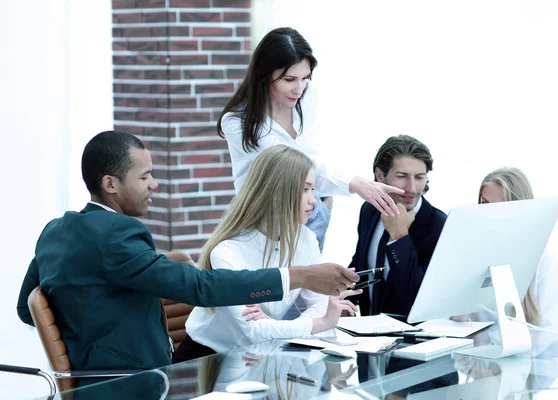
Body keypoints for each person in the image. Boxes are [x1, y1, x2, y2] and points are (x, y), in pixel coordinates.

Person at [16, 131, 359, 376]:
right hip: (135, 380)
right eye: (145, 176)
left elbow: (25, 309)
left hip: (98, 375)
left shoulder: (55, 230)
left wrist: (87, 330)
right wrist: (297, 276)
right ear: (111, 185)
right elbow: (199, 287)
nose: (155, 185)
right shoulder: (117, 235)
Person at [217, 27, 403, 250]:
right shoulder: (237, 122)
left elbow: (315, 160)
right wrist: (356, 183)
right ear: (265, 75)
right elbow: (295, 165)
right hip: (262, 224)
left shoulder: (308, 96)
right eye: (289, 79)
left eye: (305, 78)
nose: (299, 88)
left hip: (309, 214)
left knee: (314, 280)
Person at [173, 145, 361, 362]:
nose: (314, 200)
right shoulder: (227, 252)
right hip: (207, 359)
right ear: (279, 193)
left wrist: (276, 325)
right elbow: (254, 331)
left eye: (313, 189)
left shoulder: (306, 239)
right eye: (305, 189)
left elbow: (318, 304)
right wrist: (321, 322)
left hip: (260, 354)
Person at [348, 135, 447, 317]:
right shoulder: (369, 209)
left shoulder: (439, 226)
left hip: (415, 339)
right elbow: (361, 264)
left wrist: (400, 237)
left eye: (419, 177)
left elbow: (417, 298)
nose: (412, 187)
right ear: (380, 175)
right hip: (366, 334)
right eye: (402, 176)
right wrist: (346, 302)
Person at [477, 167, 558, 331]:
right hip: (472, 354)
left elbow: (550, 330)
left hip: (529, 355)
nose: (491, 214)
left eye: (503, 206)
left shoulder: (545, 262)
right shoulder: (472, 253)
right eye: (485, 204)